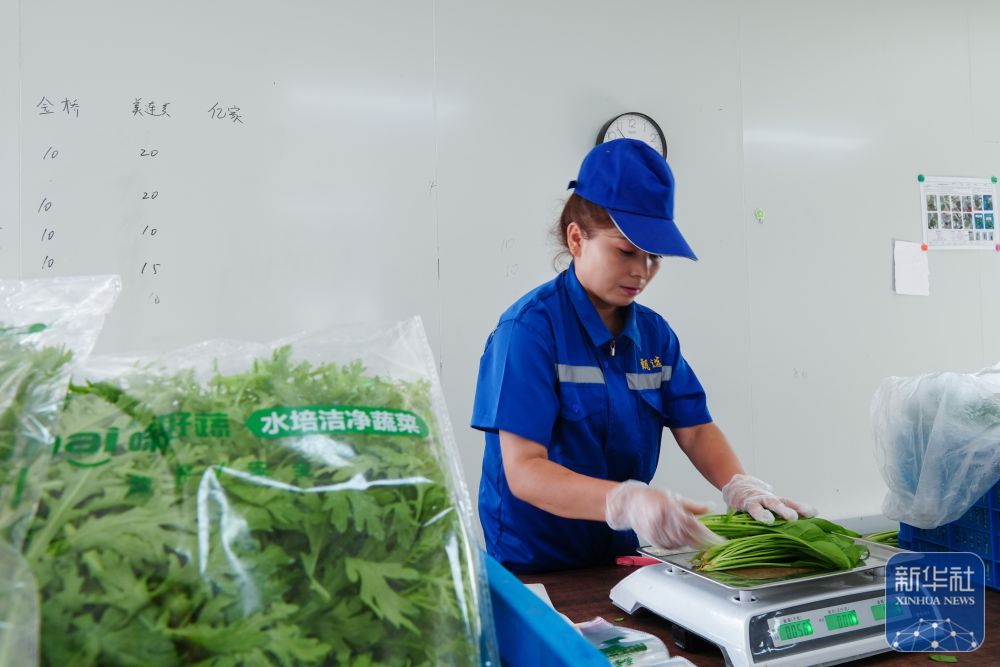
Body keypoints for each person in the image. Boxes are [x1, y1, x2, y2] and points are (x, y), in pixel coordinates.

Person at [471, 138, 815, 573]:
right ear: (576, 239)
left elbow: (695, 428)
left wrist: (739, 485)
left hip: (615, 551)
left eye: (653, 256)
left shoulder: (654, 334)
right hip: (534, 559)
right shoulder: (529, 331)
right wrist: (625, 501)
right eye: (625, 251)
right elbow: (524, 471)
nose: (641, 271)